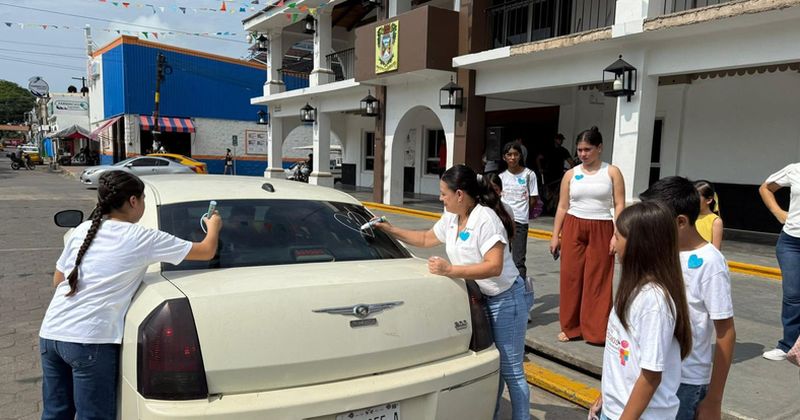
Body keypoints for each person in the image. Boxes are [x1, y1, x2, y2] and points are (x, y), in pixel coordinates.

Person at [38, 171, 223, 419]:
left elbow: (58, 280)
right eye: (142, 198)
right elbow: (206, 251)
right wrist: (214, 226)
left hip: (51, 334)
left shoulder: (82, 230)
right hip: (89, 339)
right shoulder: (141, 237)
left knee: (55, 413)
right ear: (133, 201)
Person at [374, 165, 534, 420]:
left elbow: (494, 266)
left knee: (511, 370)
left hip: (506, 300)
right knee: (494, 367)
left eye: (443, 193)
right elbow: (426, 239)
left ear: (459, 194)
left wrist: (450, 270)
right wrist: (390, 230)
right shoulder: (451, 217)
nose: (441, 198)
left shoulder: (486, 219)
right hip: (482, 299)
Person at [640, 176, 735, 420]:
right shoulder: (659, 252)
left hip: (686, 381)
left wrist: (714, 399)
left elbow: (725, 332)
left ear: (681, 222)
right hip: (649, 371)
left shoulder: (710, 263)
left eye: (655, 223)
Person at [588, 201, 692, 420]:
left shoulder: (654, 302)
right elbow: (623, 361)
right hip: (616, 410)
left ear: (638, 246)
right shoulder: (633, 288)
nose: (612, 243)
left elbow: (650, 377)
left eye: (617, 236)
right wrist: (607, 396)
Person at [550, 126, 625, 344]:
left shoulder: (612, 172)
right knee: (571, 277)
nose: (583, 154)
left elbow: (619, 205)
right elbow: (562, 206)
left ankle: (596, 330)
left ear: (599, 148)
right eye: (580, 150)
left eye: (587, 149)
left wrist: (617, 234)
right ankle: (571, 327)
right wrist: (555, 235)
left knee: (598, 278)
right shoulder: (571, 174)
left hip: (602, 226)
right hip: (573, 225)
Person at [759, 162, 800, 361]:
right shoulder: (795, 169)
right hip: (791, 242)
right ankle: (788, 345)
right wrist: (779, 213)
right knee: (792, 296)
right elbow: (766, 188)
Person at [499, 142, 539, 279]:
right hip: (504, 222)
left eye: (515, 154)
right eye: (509, 154)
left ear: (520, 156)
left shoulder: (529, 175)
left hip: (520, 222)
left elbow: (533, 199)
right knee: (502, 257)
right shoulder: (501, 177)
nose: (512, 158)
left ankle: (520, 288)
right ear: (504, 157)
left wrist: (523, 212)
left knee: (518, 260)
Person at [539, 133, 574, 215]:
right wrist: (540, 168)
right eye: (559, 139)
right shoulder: (548, 149)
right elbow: (538, 158)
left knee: (557, 194)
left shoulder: (563, 150)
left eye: (561, 140)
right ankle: (545, 210)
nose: (560, 141)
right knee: (546, 194)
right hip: (548, 175)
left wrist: (568, 173)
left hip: (559, 175)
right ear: (555, 139)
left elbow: (571, 162)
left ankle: (553, 210)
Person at [694, 180, 724, 250]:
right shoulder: (688, 217)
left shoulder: (716, 221)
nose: (693, 200)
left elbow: (716, 250)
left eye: (697, 197)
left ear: (709, 200)